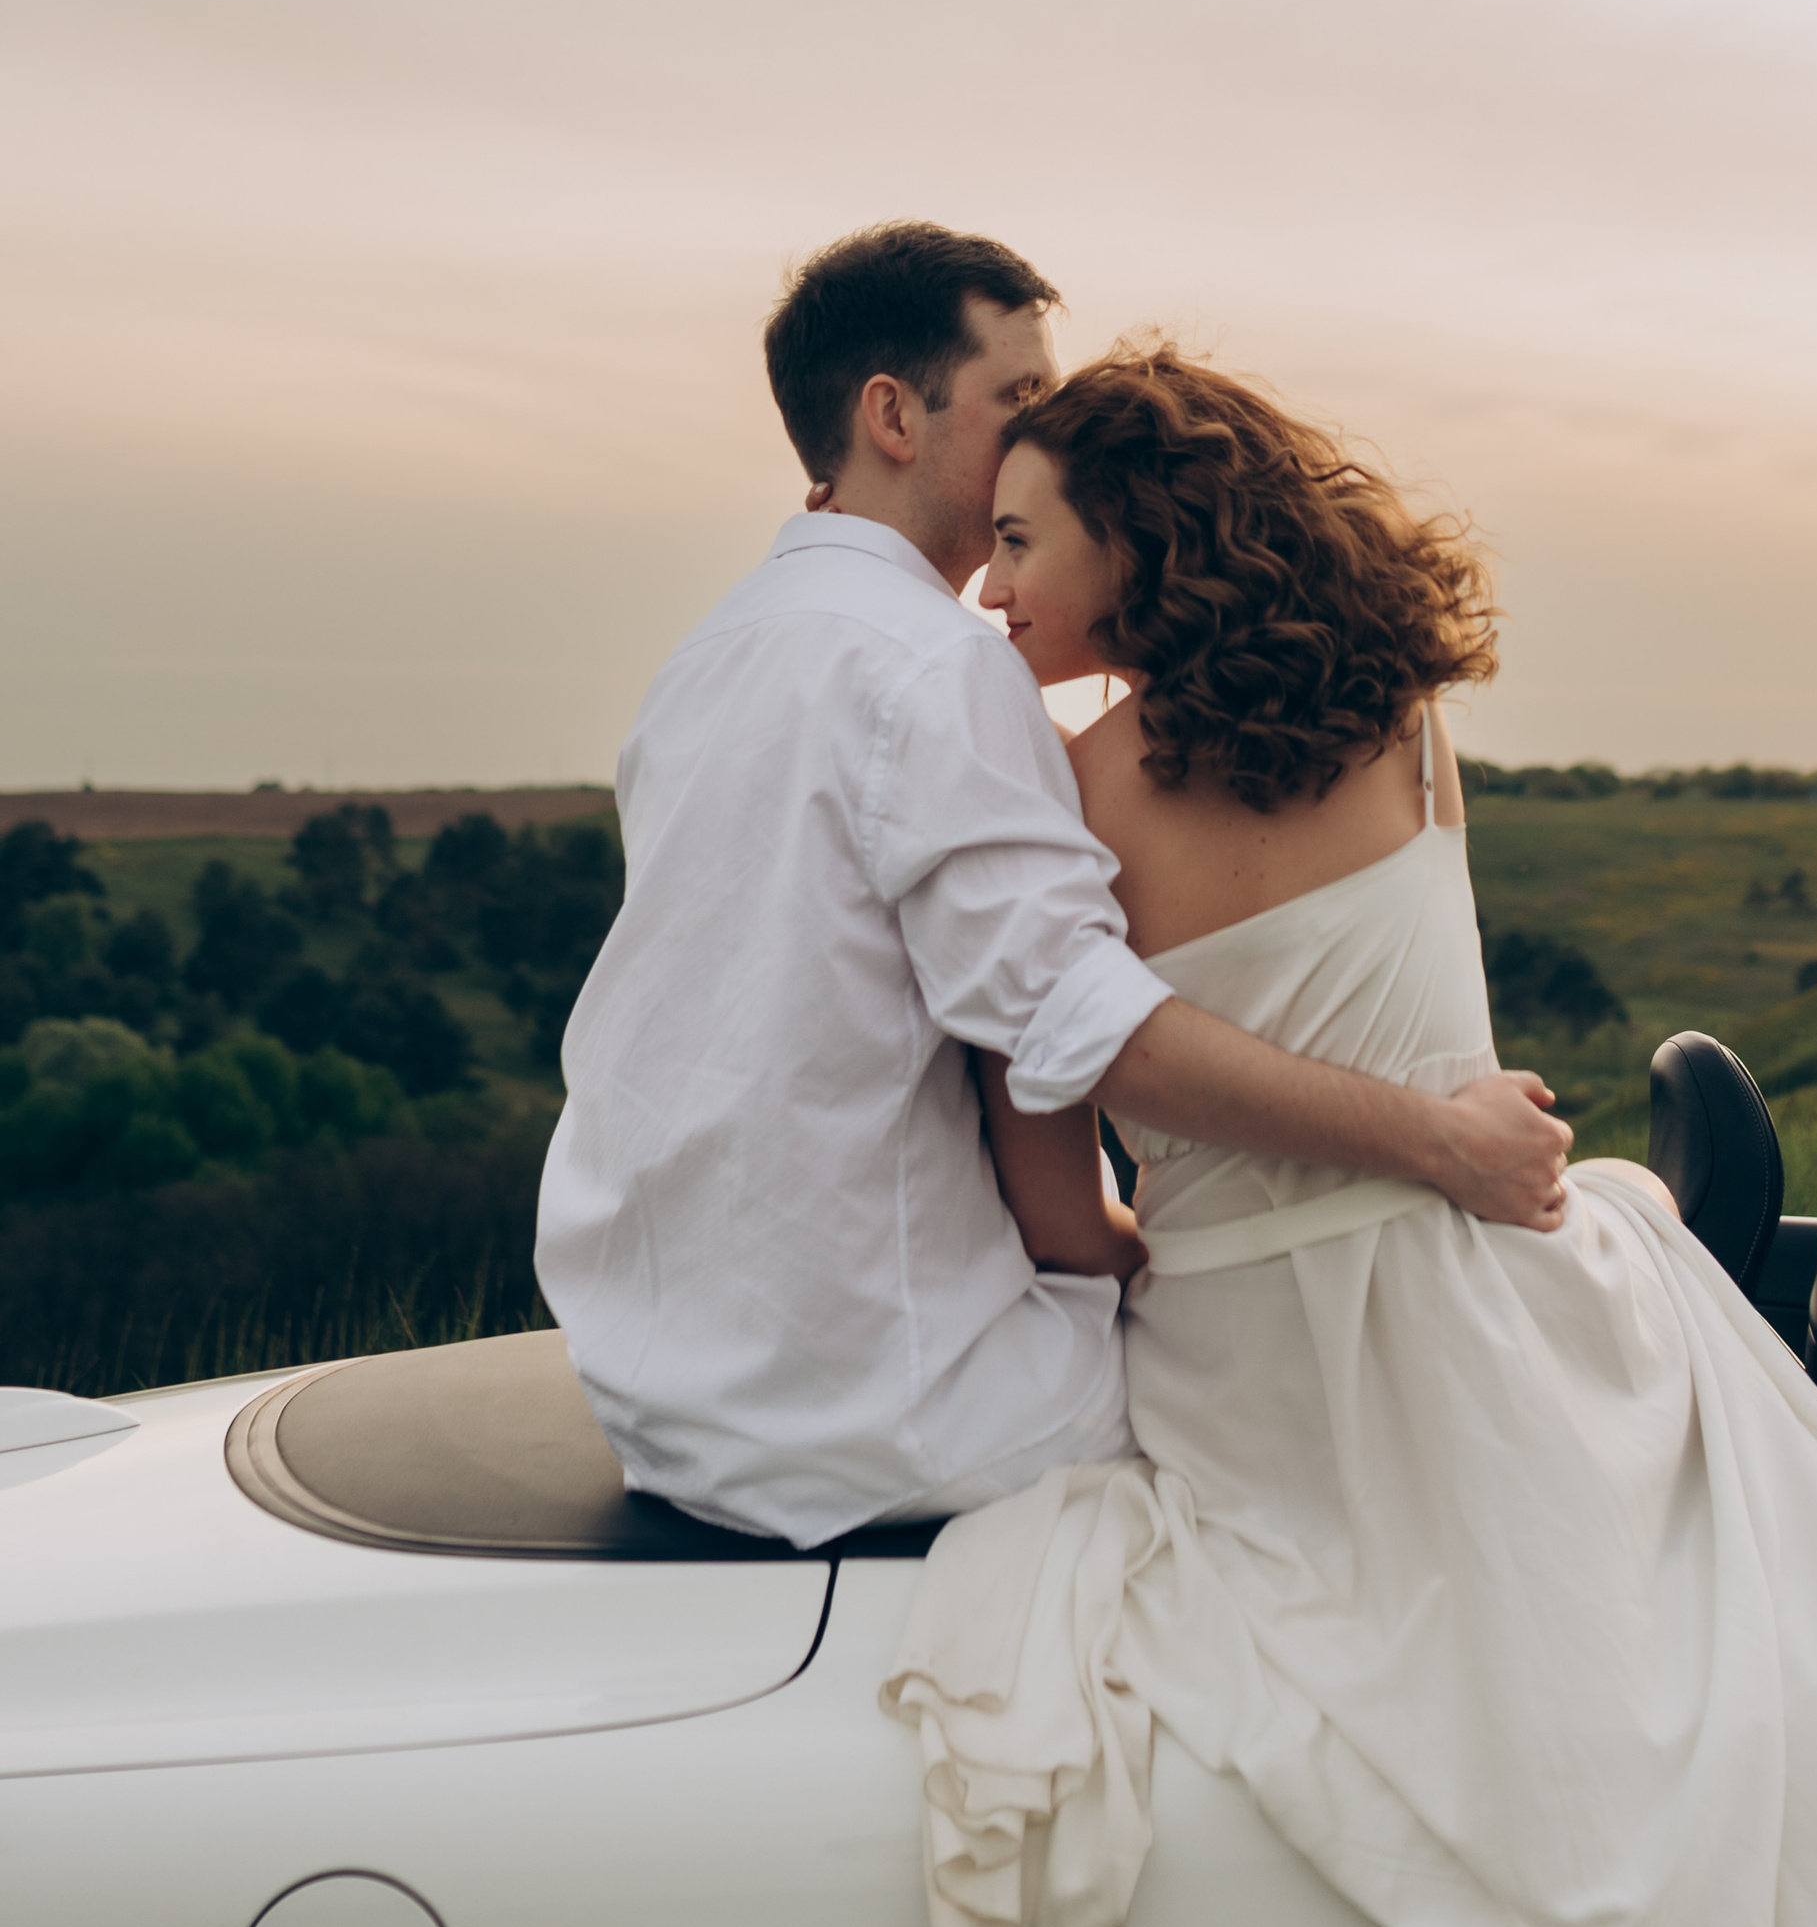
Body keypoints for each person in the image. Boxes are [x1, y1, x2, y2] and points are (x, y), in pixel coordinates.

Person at [883, 347, 1817, 1927]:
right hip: (1500, 1285)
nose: (994, 584)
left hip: (1264, 1352)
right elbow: (1431, 1045)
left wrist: (1158, 1252)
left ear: (1132, 540)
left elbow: (1058, 1203)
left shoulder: (1067, 790)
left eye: (1027, 538)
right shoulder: (1411, 725)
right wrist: (1439, 1146)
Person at [534, 225, 1570, 1549]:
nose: (1054, 413)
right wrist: (1442, 1142)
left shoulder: (713, 654)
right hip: (885, 1407)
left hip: (663, 1381)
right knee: (1322, 1406)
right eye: (1019, 391)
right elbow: (1076, 1034)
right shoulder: (940, 667)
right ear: (894, 415)